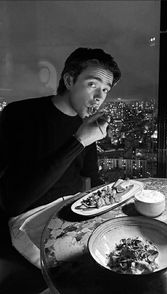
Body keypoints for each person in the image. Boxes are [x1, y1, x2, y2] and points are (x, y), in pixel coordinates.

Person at [0, 47, 121, 267]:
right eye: (92, 84)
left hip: (73, 212)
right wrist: (78, 141)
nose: (99, 97)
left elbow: (91, 178)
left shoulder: (87, 125)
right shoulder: (21, 115)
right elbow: (14, 202)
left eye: (105, 89)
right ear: (68, 80)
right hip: (28, 220)